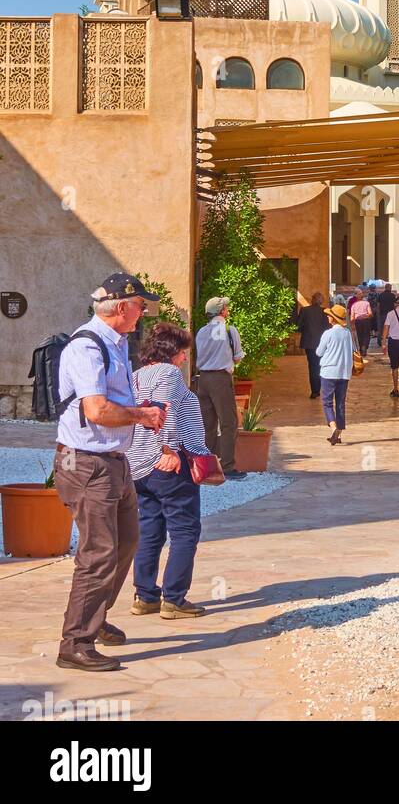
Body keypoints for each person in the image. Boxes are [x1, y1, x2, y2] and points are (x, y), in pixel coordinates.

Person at [53, 273, 168, 673]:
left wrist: (141, 409)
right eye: (140, 306)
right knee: (98, 552)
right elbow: (97, 411)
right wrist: (142, 414)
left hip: (111, 461)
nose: (143, 313)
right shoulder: (87, 347)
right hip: (85, 463)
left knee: (125, 544)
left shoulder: (115, 344)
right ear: (122, 307)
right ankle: (75, 644)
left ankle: (95, 618)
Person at [127, 322, 211, 620]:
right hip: (167, 464)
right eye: (183, 353)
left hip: (138, 465)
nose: (185, 359)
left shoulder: (135, 376)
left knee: (150, 530)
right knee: (185, 530)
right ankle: (174, 599)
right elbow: (166, 410)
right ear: (172, 351)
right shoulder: (169, 373)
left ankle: (145, 596)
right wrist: (169, 449)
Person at [194, 296, 246, 479]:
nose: (228, 309)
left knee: (207, 424)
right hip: (220, 379)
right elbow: (238, 357)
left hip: (203, 379)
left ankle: (207, 465)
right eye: (226, 307)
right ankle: (227, 466)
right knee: (228, 422)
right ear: (222, 311)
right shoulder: (229, 331)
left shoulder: (201, 331)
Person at [315, 302, 355, 445]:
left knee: (327, 402)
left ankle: (333, 427)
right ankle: (339, 430)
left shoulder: (328, 333)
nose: (327, 317)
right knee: (340, 403)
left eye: (329, 315)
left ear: (333, 318)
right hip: (344, 372)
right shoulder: (347, 334)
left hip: (329, 371)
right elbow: (352, 350)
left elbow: (319, 352)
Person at [294, 291, 329, 399]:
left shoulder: (305, 311)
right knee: (321, 365)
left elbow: (299, 326)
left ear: (312, 299)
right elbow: (327, 327)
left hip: (309, 343)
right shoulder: (325, 312)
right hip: (322, 342)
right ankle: (322, 388)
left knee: (313, 367)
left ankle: (315, 391)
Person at [350, 288, 374, 357]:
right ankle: (365, 347)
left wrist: (352, 325)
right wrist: (366, 316)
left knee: (359, 335)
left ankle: (361, 348)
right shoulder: (366, 303)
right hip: (366, 321)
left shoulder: (354, 305)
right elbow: (370, 314)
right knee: (366, 335)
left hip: (357, 321)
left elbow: (352, 316)